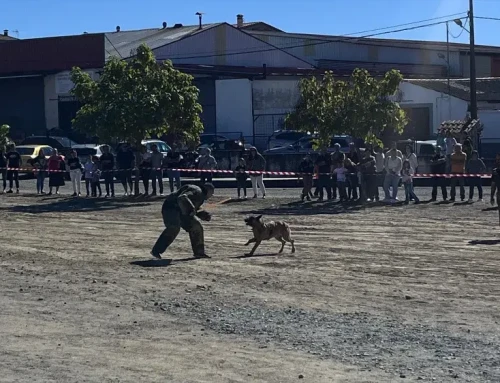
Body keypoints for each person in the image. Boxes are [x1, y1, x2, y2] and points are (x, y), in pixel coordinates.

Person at [151, 183, 215, 260]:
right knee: (174, 227)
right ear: (209, 191)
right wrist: (191, 209)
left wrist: (201, 214)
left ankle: (199, 252)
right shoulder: (198, 191)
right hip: (171, 207)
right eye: (212, 193)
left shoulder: (199, 195)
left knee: (196, 226)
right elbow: (182, 198)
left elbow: (191, 207)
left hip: (180, 210)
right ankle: (156, 250)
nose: (211, 196)